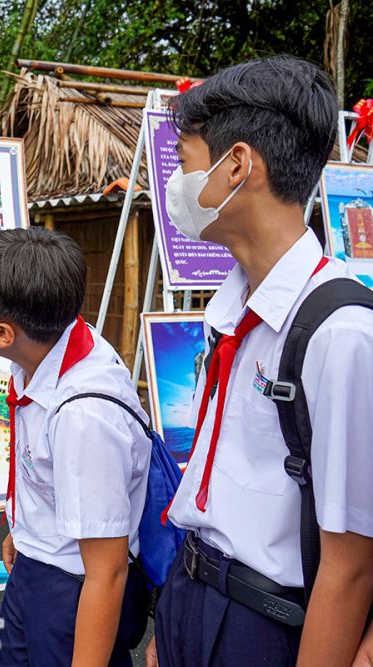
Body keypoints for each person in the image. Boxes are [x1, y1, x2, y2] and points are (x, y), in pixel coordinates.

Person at [148, 56, 373, 667]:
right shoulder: (231, 309)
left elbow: (351, 568)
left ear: (238, 166)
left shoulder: (340, 334)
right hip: (195, 595)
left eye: (186, 163)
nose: (175, 185)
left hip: (266, 627)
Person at [0, 228, 150, 666]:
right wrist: (27, 528)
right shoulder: (52, 346)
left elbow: (107, 571)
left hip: (70, 593)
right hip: (38, 562)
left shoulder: (84, 418)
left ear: (3, 333)